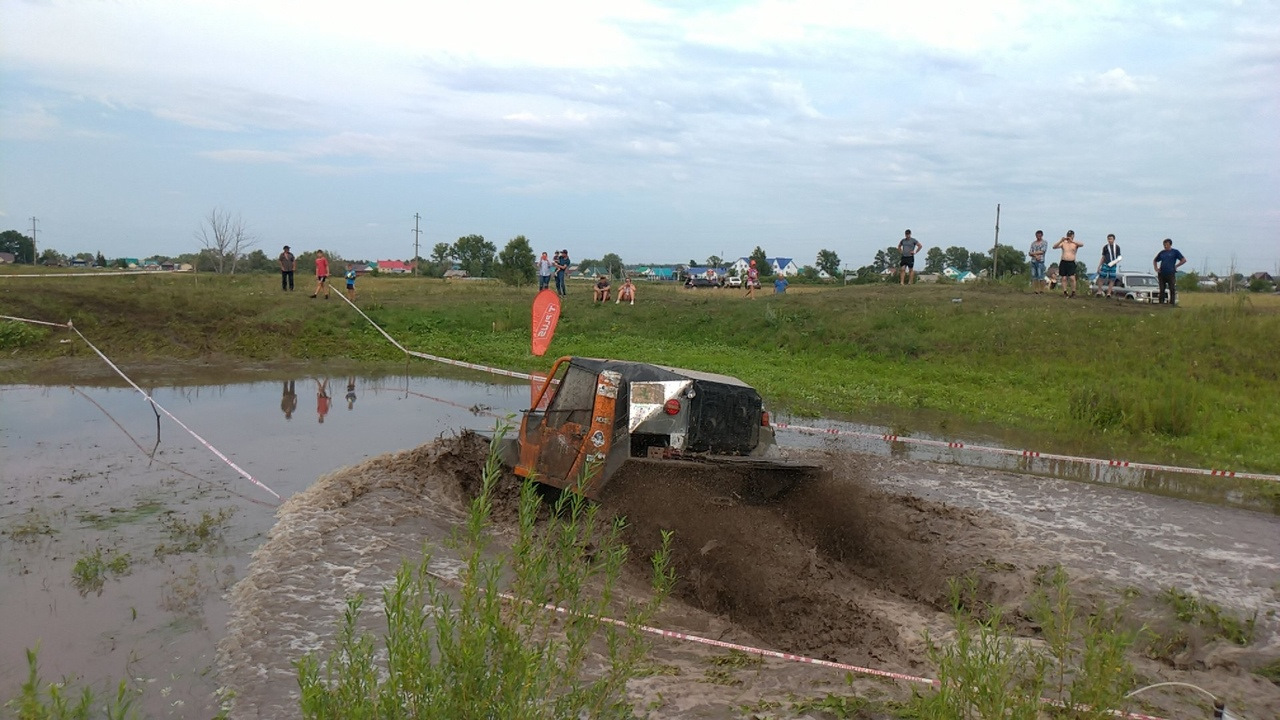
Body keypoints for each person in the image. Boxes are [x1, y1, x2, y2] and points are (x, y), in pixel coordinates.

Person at [1153, 238, 1186, 305]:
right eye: (1164, 245)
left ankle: (1172, 303)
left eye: (1167, 245)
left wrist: (1176, 266)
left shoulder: (1175, 252)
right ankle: (1161, 303)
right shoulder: (1162, 252)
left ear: (1170, 244)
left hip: (1170, 273)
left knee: (1172, 288)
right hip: (1162, 273)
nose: (1165, 246)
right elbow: (1155, 260)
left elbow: (1183, 260)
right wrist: (1156, 268)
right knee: (1162, 289)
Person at [1052, 230, 1083, 298]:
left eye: (1071, 235)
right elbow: (1054, 247)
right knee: (1064, 278)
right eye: (1068, 235)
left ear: (1073, 236)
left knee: (1072, 277)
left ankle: (1073, 292)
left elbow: (1082, 244)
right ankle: (1065, 292)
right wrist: (1061, 240)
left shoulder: (1075, 244)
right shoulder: (1063, 243)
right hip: (1064, 261)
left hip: (1071, 262)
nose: (1069, 236)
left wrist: (1072, 241)